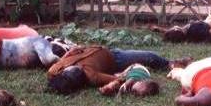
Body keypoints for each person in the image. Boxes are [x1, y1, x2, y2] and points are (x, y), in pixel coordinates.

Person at [46, 46, 189, 94]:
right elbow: (121, 79)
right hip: (114, 58)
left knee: (148, 55)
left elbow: (61, 60)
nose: (78, 68)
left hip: (94, 48)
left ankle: (174, 62)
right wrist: (114, 83)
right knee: (149, 56)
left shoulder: (53, 71)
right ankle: (171, 63)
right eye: (79, 71)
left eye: (72, 69)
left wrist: (70, 52)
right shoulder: (92, 76)